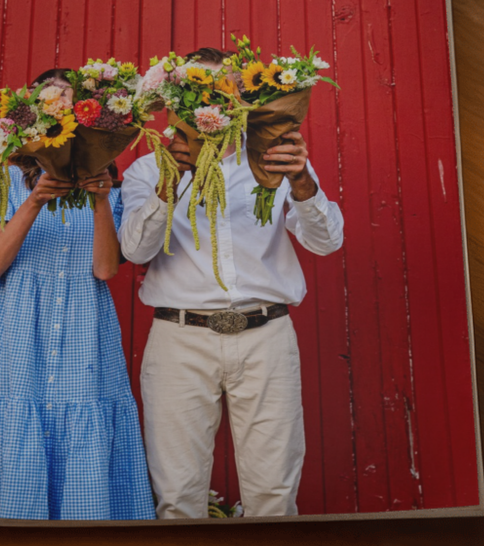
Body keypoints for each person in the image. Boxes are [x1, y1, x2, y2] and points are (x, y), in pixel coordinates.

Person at [0, 71, 154, 521]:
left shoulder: (108, 188)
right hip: (11, 332)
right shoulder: (2, 180)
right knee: (8, 418)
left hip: (83, 334)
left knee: (82, 419)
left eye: (72, 103)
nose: (63, 110)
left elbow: (105, 268)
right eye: (53, 103)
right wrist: (34, 202)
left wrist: (102, 199)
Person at [116, 65, 345, 519]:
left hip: (266, 334)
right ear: (180, 103)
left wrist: (301, 182)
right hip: (180, 338)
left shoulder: (272, 159)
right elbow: (136, 251)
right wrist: (169, 181)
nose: (214, 104)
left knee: (274, 493)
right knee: (177, 496)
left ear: (242, 101)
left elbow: (327, 241)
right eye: (202, 93)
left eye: (224, 92)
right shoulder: (148, 168)